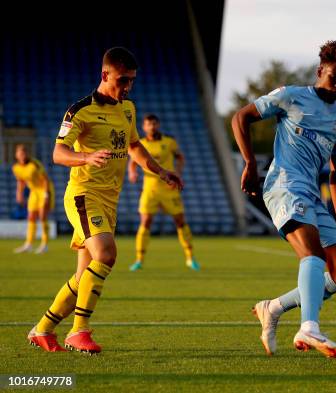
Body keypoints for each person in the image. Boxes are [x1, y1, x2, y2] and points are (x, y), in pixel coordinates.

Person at [27, 47, 182, 354]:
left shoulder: (128, 109)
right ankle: (78, 331)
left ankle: (42, 329)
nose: (127, 87)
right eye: (122, 80)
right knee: (107, 253)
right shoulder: (80, 110)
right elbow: (58, 153)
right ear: (105, 75)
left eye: (131, 81)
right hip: (84, 196)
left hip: (108, 201)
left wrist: (162, 171)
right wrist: (86, 156)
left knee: (84, 276)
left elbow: (135, 147)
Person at [232, 41, 336, 359]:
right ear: (320, 71)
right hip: (284, 187)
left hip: (314, 197)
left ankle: (272, 308)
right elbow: (240, 118)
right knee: (312, 255)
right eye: (334, 77)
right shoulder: (291, 96)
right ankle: (309, 327)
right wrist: (249, 163)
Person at [128, 114, 200, 271]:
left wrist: (178, 172)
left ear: (158, 125)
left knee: (180, 222)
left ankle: (190, 258)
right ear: (144, 127)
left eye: (154, 123)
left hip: (169, 188)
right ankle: (139, 259)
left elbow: (180, 158)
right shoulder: (140, 143)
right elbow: (133, 162)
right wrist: (132, 173)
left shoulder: (169, 141)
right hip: (150, 189)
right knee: (145, 222)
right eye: (148, 124)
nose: (152, 127)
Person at [12, 144, 55, 254]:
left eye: (24, 153)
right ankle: (29, 244)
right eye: (20, 153)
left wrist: (46, 195)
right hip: (34, 192)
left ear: (27, 154)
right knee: (31, 217)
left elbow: (45, 179)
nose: (22, 155)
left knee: (42, 217)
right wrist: (19, 194)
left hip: (44, 190)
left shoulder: (34, 164)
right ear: (16, 155)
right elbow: (21, 181)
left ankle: (44, 244)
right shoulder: (16, 168)